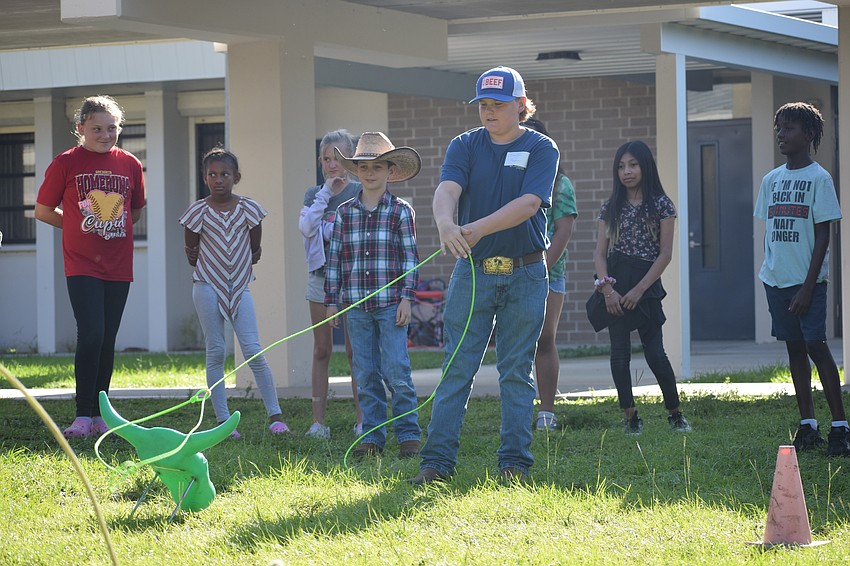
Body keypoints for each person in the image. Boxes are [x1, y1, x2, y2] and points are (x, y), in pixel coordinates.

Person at [410, 66, 558, 485]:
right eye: (483, 105)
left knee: (515, 369)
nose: (489, 112)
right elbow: (447, 191)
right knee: (457, 367)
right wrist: (444, 223)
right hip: (473, 272)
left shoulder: (541, 148)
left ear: (521, 106)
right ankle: (436, 463)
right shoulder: (465, 145)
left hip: (527, 272)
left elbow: (529, 204)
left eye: (498, 105)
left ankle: (514, 465)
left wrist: (473, 229)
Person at [35, 95, 146, 439]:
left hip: (118, 265)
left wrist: (107, 223)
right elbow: (42, 211)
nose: (105, 134)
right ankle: (82, 414)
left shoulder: (129, 163)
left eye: (112, 128)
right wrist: (77, 225)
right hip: (81, 264)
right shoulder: (65, 163)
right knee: (92, 333)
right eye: (97, 128)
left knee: (108, 339)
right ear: (81, 128)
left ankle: (101, 415)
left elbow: (135, 211)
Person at [754, 102, 849, 456]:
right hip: (776, 281)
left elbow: (823, 237)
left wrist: (808, 287)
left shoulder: (819, 179)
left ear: (808, 134)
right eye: (779, 128)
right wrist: (770, 273)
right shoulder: (771, 180)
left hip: (807, 284)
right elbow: (771, 232)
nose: (781, 134)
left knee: (816, 346)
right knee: (794, 349)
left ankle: (840, 426)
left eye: (789, 128)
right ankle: (808, 424)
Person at [179, 147, 289, 439]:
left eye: (225, 174)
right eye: (212, 174)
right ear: (205, 178)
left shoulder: (249, 209)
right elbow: (192, 252)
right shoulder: (197, 212)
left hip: (240, 287)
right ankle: (223, 421)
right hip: (206, 286)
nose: (219, 180)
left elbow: (255, 250)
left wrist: (237, 268)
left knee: (253, 349)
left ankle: (275, 416)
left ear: (236, 177)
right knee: (215, 351)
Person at [324, 132, 422, 458]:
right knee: (365, 372)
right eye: (363, 166)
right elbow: (335, 259)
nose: (369, 172)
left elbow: (409, 258)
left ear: (390, 171)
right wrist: (331, 302)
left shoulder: (401, 211)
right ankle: (373, 437)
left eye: (377, 166)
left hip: (391, 304)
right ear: (356, 171)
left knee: (396, 369)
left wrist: (407, 297)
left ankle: (408, 435)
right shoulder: (345, 213)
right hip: (356, 305)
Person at [592, 140, 690, 436]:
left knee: (655, 354)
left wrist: (639, 290)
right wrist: (607, 289)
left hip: (646, 284)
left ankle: (675, 413)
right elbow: (599, 253)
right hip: (615, 283)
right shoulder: (610, 206)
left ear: (645, 166)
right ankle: (631, 417)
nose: (627, 171)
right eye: (621, 166)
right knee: (619, 354)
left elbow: (665, 254)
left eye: (633, 164)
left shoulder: (662, 204)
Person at [298, 130, 364, 440]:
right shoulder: (314, 195)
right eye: (326, 158)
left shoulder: (362, 192)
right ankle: (317, 422)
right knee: (322, 349)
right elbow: (307, 227)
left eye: (337, 157)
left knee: (356, 352)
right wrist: (326, 193)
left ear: (350, 159)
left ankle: (363, 420)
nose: (331, 164)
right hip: (320, 280)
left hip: (353, 281)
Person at [521, 117, 578, 432]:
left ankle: (546, 412)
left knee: (545, 339)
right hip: (512, 271)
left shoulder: (560, 183)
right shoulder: (514, 178)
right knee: (518, 343)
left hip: (548, 273)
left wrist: (541, 269)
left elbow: (563, 230)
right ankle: (518, 409)